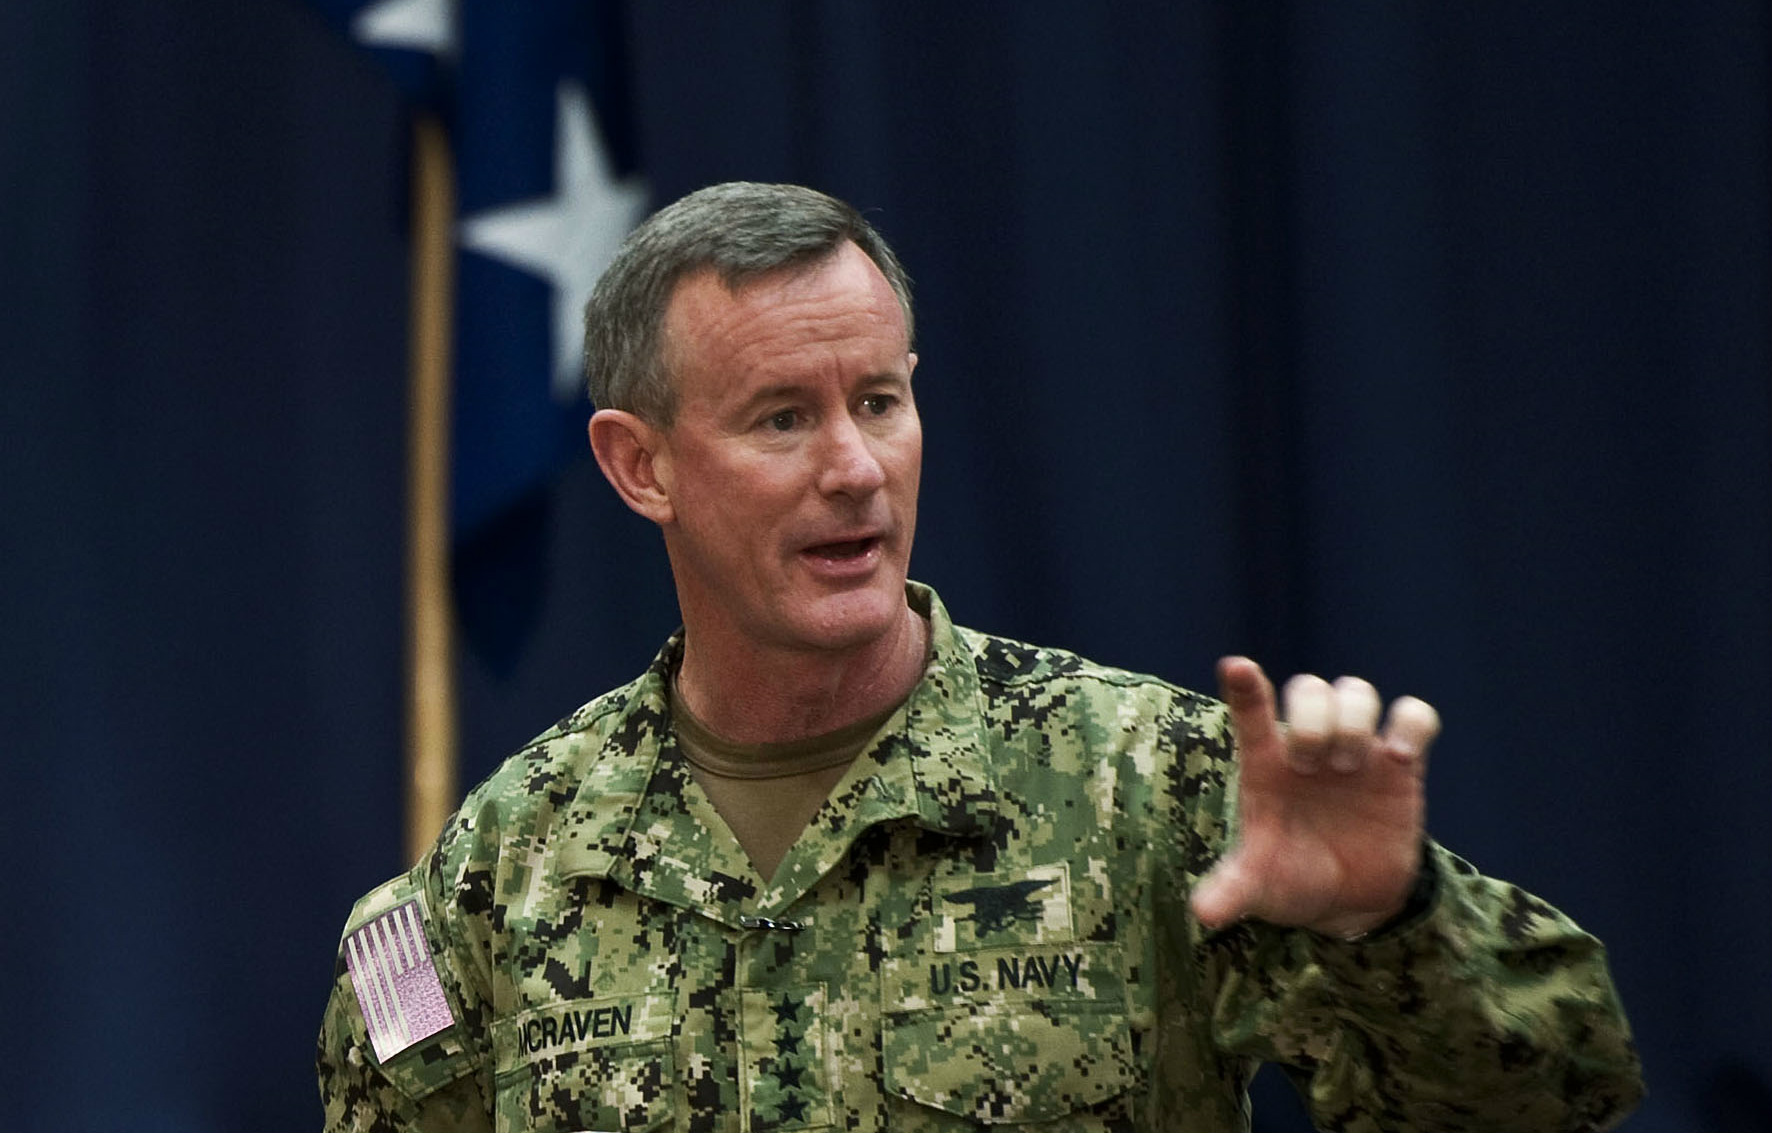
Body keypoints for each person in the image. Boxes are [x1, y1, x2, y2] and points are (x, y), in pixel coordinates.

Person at [317, 182, 1643, 1132]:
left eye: (880, 401)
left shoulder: (1154, 781)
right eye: (783, 417)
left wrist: (1383, 921)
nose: (854, 469)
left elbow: (1559, 1090)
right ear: (640, 463)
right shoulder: (504, 860)